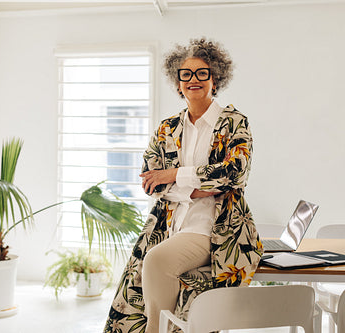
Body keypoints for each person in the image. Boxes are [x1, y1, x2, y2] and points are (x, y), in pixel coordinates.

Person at [103, 37, 263, 333]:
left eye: (202, 72)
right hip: (166, 226)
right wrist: (199, 184)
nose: (193, 79)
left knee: (156, 261)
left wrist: (174, 174)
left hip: (214, 228)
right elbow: (151, 181)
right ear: (178, 83)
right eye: (186, 74)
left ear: (215, 79)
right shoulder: (167, 128)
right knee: (135, 284)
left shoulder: (234, 123)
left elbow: (234, 174)